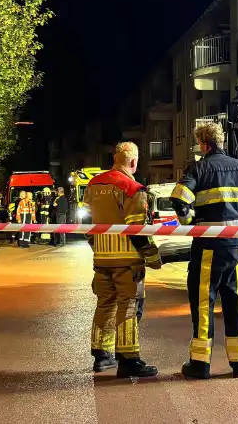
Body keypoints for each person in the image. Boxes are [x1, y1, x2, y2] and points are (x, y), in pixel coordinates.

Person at [171, 121, 238, 380]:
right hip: (236, 243)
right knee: (236, 300)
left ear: (204, 144)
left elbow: (179, 198)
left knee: (204, 302)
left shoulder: (199, 168)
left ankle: (200, 363)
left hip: (208, 244)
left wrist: (188, 223)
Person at [84, 142, 163, 378]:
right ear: (133, 162)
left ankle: (101, 355)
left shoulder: (94, 184)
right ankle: (129, 360)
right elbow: (137, 230)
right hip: (127, 260)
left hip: (102, 259)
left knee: (105, 303)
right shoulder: (133, 188)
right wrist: (152, 256)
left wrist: (98, 247)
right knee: (129, 306)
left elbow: (88, 226)